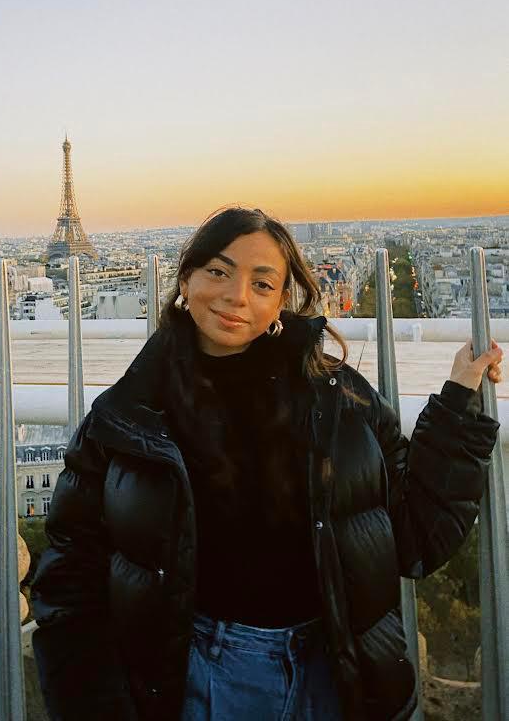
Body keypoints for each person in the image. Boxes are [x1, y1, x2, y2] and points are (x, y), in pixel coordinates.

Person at [31, 207, 502, 721]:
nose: (237, 296)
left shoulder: (340, 400)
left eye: (262, 283)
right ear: (184, 280)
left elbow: (414, 539)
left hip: (335, 672)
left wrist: (457, 403)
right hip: (199, 676)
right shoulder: (125, 418)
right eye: (218, 271)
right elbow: (70, 579)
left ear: (281, 300)